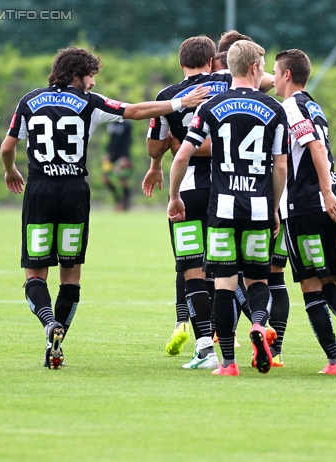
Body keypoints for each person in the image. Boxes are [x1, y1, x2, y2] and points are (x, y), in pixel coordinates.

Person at [0, 46, 209, 369]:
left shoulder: (29, 101)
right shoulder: (88, 103)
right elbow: (137, 111)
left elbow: (7, 146)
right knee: (71, 277)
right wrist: (181, 102)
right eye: (91, 76)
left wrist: (10, 169)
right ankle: (56, 340)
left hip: (39, 191)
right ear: (76, 75)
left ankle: (48, 324)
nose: (94, 83)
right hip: (74, 193)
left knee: (35, 273)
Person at [167, 40, 289, 376]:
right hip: (259, 207)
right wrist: (275, 207)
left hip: (221, 208)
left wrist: (174, 195)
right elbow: (280, 167)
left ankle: (228, 363)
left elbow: (181, 155)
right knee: (257, 278)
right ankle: (259, 324)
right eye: (262, 66)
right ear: (253, 68)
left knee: (222, 283)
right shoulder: (274, 109)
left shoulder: (211, 107)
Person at [272, 49, 336, 375]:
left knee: (310, 285)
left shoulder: (290, 107)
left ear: (287, 75)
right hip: (334, 202)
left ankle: (334, 360)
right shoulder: (314, 105)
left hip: (305, 206)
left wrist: (324, 192)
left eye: (275, 72)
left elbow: (313, 146)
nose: (272, 78)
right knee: (329, 281)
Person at [143, 35, 236, 369]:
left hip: (187, 191)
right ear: (213, 60)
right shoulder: (229, 83)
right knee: (227, 267)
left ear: (181, 63)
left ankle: (204, 349)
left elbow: (156, 146)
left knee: (190, 266)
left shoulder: (168, 96)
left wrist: (169, 149)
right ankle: (232, 340)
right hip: (228, 188)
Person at [102, 120, 133, 211]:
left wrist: (124, 157)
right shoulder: (111, 123)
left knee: (123, 181)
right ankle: (118, 200)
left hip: (123, 156)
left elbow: (128, 142)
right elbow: (111, 140)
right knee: (106, 179)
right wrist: (107, 153)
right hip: (111, 156)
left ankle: (126, 204)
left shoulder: (127, 124)